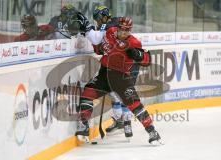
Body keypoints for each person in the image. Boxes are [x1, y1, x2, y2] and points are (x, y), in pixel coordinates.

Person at [74, 17, 162, 145]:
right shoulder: (109, 33)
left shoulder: (134, 43)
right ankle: (84, 126)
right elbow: (99, 49)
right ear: (118, 27)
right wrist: (89, 34)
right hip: (104, 74)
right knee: (87, 94)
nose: (124, 32)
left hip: (121, 79)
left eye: (127, 30)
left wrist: (139, 55)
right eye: (122, 29)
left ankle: (152, 132)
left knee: (135, 105)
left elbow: (147, 60)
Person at [67, 6, 134, 138]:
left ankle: (126, 122)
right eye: (95, 19)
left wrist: (87, 27)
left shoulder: (110, 25)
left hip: (125, 64)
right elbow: (100, 49)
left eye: (98, 19)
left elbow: (97, 40)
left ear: (105, 16)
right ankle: (123, 122)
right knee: (116, 92)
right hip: (121, 63)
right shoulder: (111, 24)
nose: (97, 22)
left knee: (122, 92)